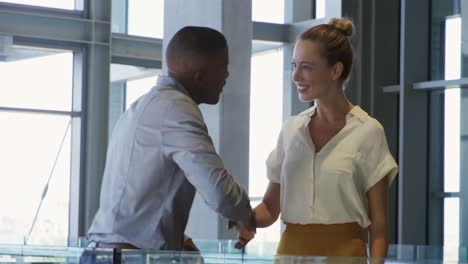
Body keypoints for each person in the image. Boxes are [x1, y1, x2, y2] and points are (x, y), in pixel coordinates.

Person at [236, 18, 398, 260]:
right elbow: (270, 209)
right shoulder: (290, 130)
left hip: (345, 256)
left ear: (335, 70)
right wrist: (243, 217)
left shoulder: (369, 132)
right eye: (294, 65)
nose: (296, 76)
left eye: (307, 67)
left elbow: (379, 228)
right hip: (289, 255)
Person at [87, 26, 256, 252]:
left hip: (108, 252)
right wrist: (245, 213)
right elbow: (219, 191)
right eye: (223, 68)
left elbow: (144, 202)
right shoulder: (177, 110)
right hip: (129, 258)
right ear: (200, 75)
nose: (226, 76)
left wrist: (177, 242)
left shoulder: (144, 105)